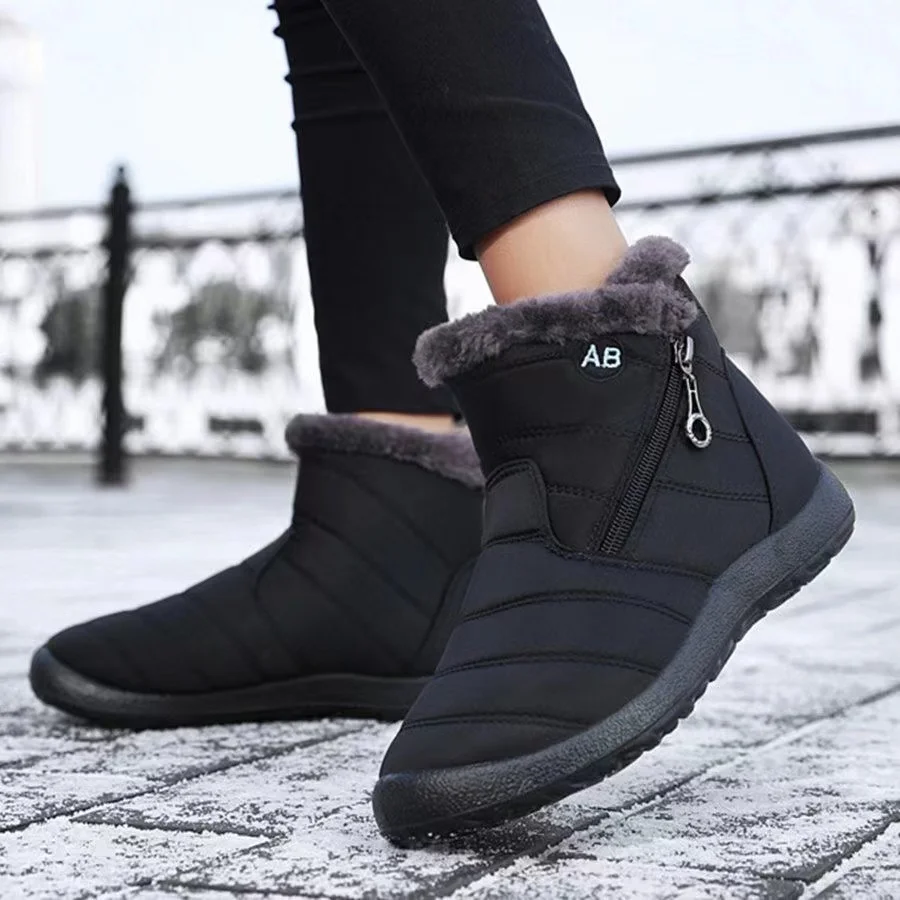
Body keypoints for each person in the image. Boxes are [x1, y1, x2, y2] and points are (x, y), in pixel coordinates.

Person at [30, 0, 854, 846]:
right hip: (385, 527)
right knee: (320, 14)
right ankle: (386, 527)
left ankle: (622, 375)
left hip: (648, 418)